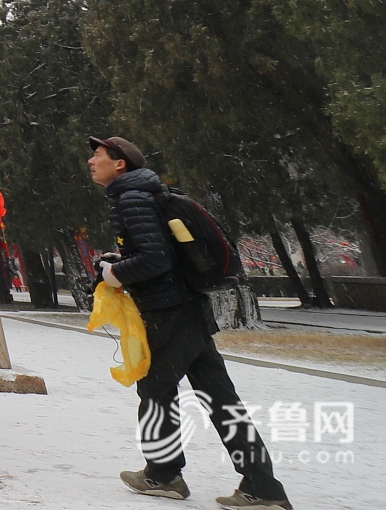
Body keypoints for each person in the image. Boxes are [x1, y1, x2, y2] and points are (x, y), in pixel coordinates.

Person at [89, 136, 291, 509]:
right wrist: (119, 258)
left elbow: (155, 261)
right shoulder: (145, 194)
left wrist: (114, 272)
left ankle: (163, 475)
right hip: (188, 310)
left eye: (98, 155)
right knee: (219, 398)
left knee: (155, 393)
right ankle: (262, 486)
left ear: (120, 164)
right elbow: (158, 251)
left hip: (170, 313)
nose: (91, 161)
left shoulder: (132, 197)